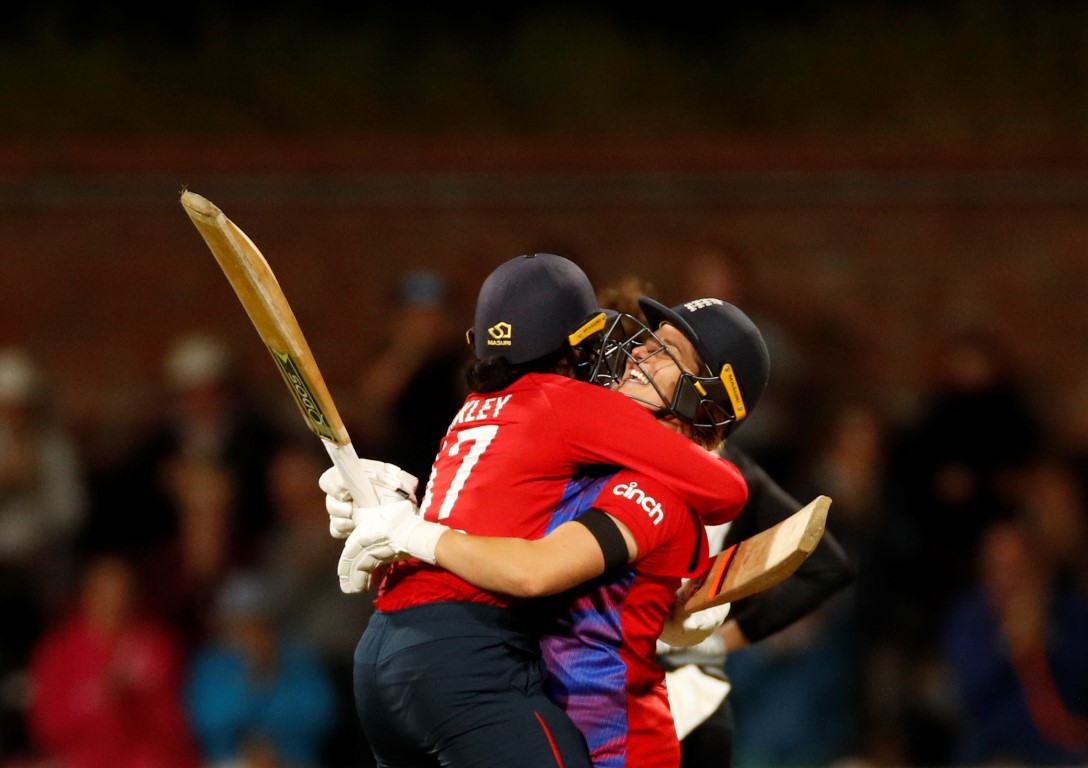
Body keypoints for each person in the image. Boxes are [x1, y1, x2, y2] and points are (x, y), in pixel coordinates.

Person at [322, 253, 752, 767]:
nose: (639, 351)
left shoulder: (647, 484)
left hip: (609, 745)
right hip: (502, 694)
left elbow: (532, 571)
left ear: (707, 399)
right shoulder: (579, 444)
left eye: (667, 352)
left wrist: (411, 532)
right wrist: (392, 503)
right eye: (649, 338)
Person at [25, 553, 201, 768]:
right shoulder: (56, 652)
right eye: (104, 594)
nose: (115, 604)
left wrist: (134, 698)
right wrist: (96, 699)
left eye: (122, 593)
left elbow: (174, 721)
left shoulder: (157, 644)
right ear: (86, 595)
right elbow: (46, 725)